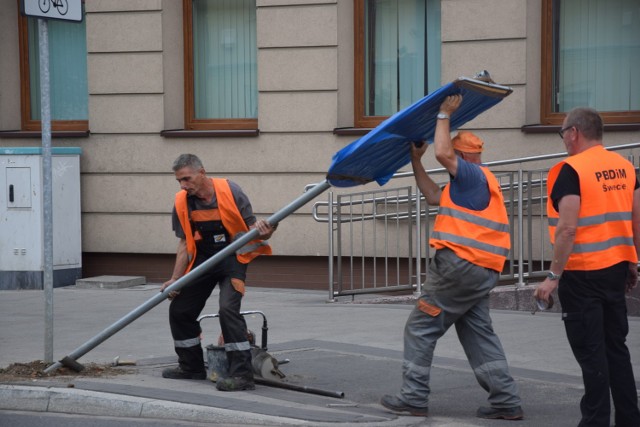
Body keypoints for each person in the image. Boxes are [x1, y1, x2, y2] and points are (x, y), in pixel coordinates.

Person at [380, 94, 523, 420]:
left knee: (420, 327)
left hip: (458, 267)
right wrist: (416, 160)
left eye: (454, 157)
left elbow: (444, 152)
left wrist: (444, 114)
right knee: (478, 333)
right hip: (481, 272)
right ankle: (506, 400)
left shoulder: (471, 175)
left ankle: (413, 396)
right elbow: (433, 195)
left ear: (463, 157)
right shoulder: (471, 186)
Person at [534, 108, 640, 426]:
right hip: (616, 268)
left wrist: (553, 276)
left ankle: (594, 421)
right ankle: (629, 419)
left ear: (575, 132)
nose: (564, 139)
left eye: (563, 132)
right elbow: (636, 219)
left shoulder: (571, 170)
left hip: (582, 273)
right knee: (615, 348)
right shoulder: (625, 167)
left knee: (591, 351)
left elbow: (567, 229)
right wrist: (633, 261)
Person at [160, 154, 276, 392]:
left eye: (187, 179)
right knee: (180, 310)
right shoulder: (182, 202)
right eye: (179, 181)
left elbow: (254, 230)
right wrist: (176, 279)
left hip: (233, 258)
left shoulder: (231, 190)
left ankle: (242, 376)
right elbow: (184, 244)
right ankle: (191, 367)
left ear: (201, 172)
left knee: (227, 310)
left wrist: (266, 232)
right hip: (204, 260)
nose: (183, 185)